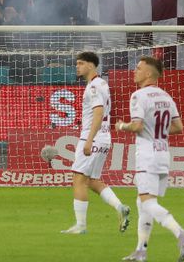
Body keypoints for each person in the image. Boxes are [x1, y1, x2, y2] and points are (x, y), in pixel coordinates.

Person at [115, 56, 184, 262]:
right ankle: (141, 251)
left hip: (147, 156)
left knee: (148, 203)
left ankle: (181, 234)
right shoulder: (166, 97)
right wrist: (156, 130)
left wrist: (122, 125)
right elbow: (178, 127)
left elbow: (137, 126)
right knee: (143, 202)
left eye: (139, 68)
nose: (135, 71)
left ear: (149, 74)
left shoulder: (138, 96)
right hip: (162, 155)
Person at [61, 52, 131, 236]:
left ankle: (81, 226)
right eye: (77, 63)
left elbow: (98, 114)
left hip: (93, 138)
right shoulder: (102, 84)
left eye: (81, 63)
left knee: (78, 179)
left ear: (91, 66)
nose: (77, 66)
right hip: (104, 138)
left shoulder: (93, 87)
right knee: (91, 181)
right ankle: (120, 207)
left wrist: (89, 140)